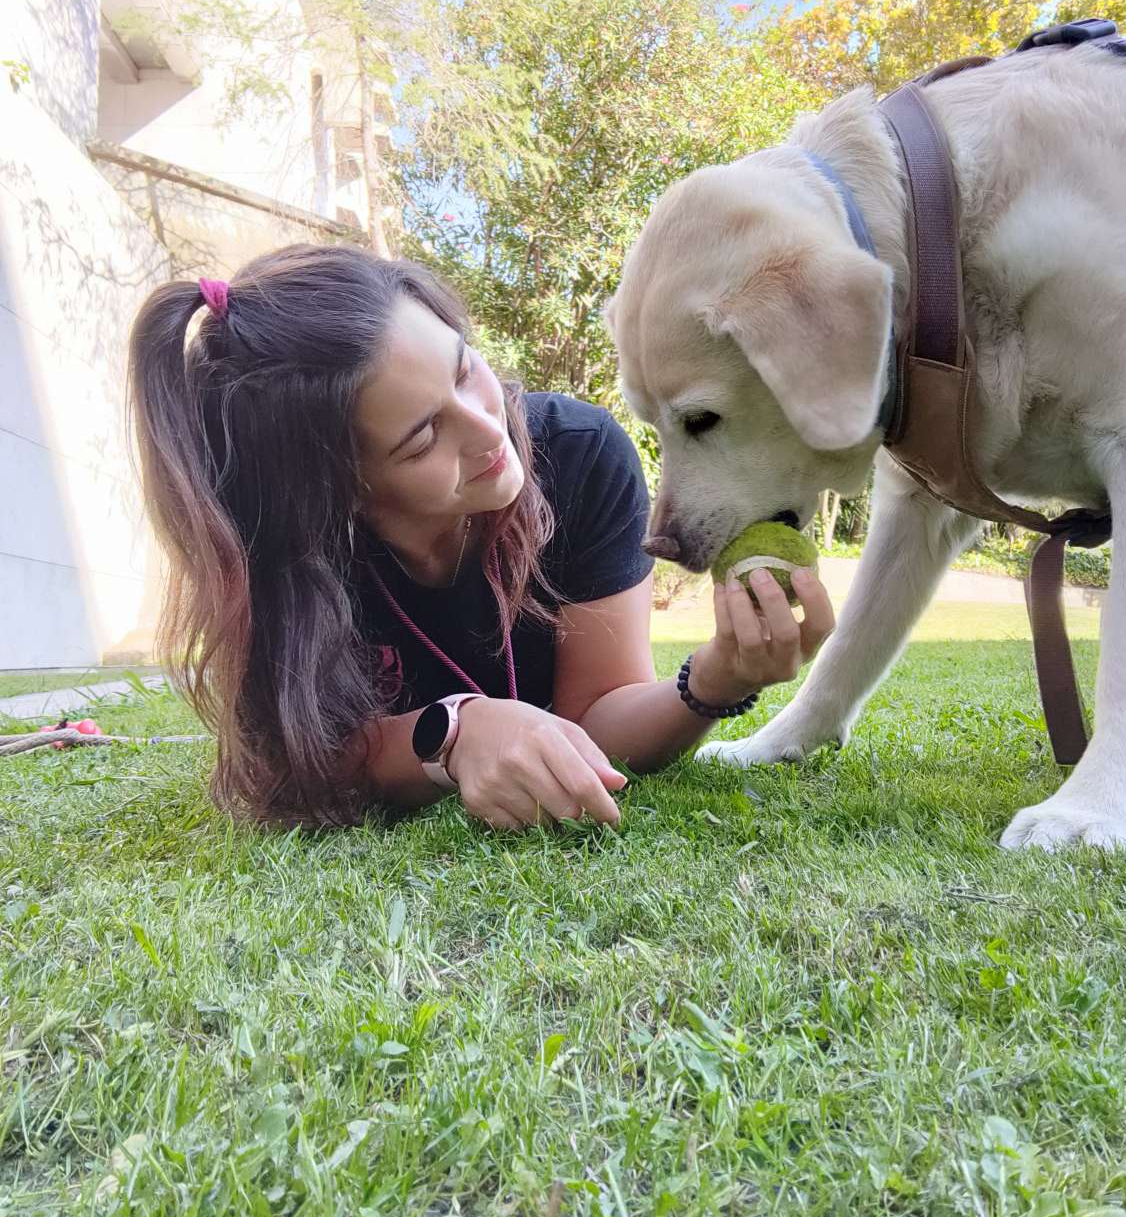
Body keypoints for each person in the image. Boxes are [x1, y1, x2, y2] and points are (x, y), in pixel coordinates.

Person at [128, 244, 833, 829]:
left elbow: (599, 715)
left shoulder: (581, 456)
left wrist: (713, 680)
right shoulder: (296, 551)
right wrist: (453, 733)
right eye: (423, 435)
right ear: (343, 490)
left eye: (465, 368)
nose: (488, 429)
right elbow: (302, 758)